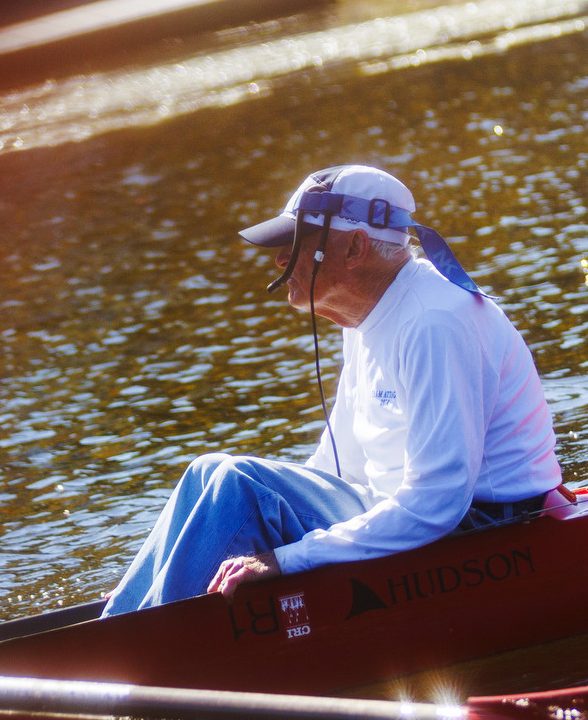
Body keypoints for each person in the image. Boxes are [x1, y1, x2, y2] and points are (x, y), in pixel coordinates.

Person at [101, 165, 563, 615]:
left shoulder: (433, 322)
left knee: (236, 485)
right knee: (210, 472)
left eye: (296, 242)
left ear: (355, 246)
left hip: (485, 526)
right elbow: (338, 464)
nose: (281, 259)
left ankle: (138, 645)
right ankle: (122, 619)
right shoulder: (367, 316)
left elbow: (438, 500)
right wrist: (276, 538)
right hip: (412, 512)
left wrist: (287, 558)